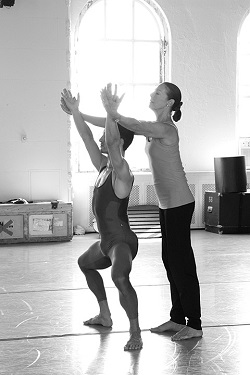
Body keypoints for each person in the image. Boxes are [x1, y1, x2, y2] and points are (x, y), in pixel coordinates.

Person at [99, 82, 203, 341]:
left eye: (158, 93)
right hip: (166, 205)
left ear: (169, 103)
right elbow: (127, 124)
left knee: (182, 264)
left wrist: (114, 112)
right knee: (170, 261)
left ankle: (195, 323)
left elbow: (134, 125)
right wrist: (87, 114)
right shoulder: (154, 129)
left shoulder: (166, 130)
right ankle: (178, 318)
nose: (151, 94)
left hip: (179, 203)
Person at [61, 89, 143, 351]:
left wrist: (110, 113)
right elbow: (86, 136)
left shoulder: (122, 171)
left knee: (120, 277)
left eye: (106, 138)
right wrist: (75, 112)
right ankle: (105, 315)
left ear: (118, 143)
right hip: (106, 240)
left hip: (122, 241)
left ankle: (135, 332)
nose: (100, 140)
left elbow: (110, 141)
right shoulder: (103, 167)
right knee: (85, 263)